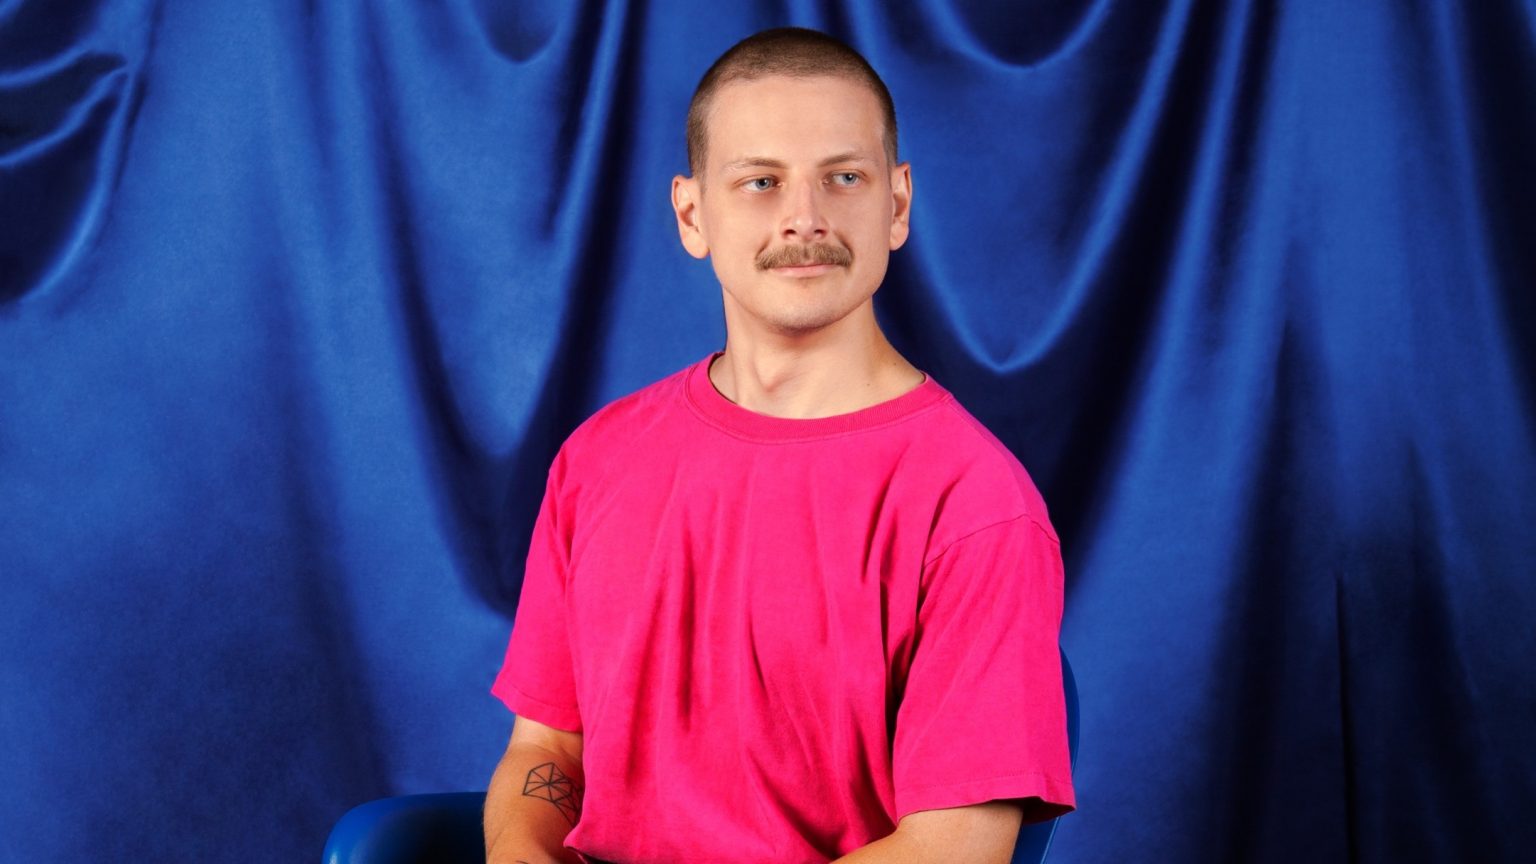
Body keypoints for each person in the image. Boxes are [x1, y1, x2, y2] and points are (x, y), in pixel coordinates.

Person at [483, 27, 1074, 864]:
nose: (805, 218)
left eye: (844, 177)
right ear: (692, 214)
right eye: (761, 182)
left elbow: (955, 847)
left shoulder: (976, 506)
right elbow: (546, 750)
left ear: (897, 204)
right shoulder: (596, 461)